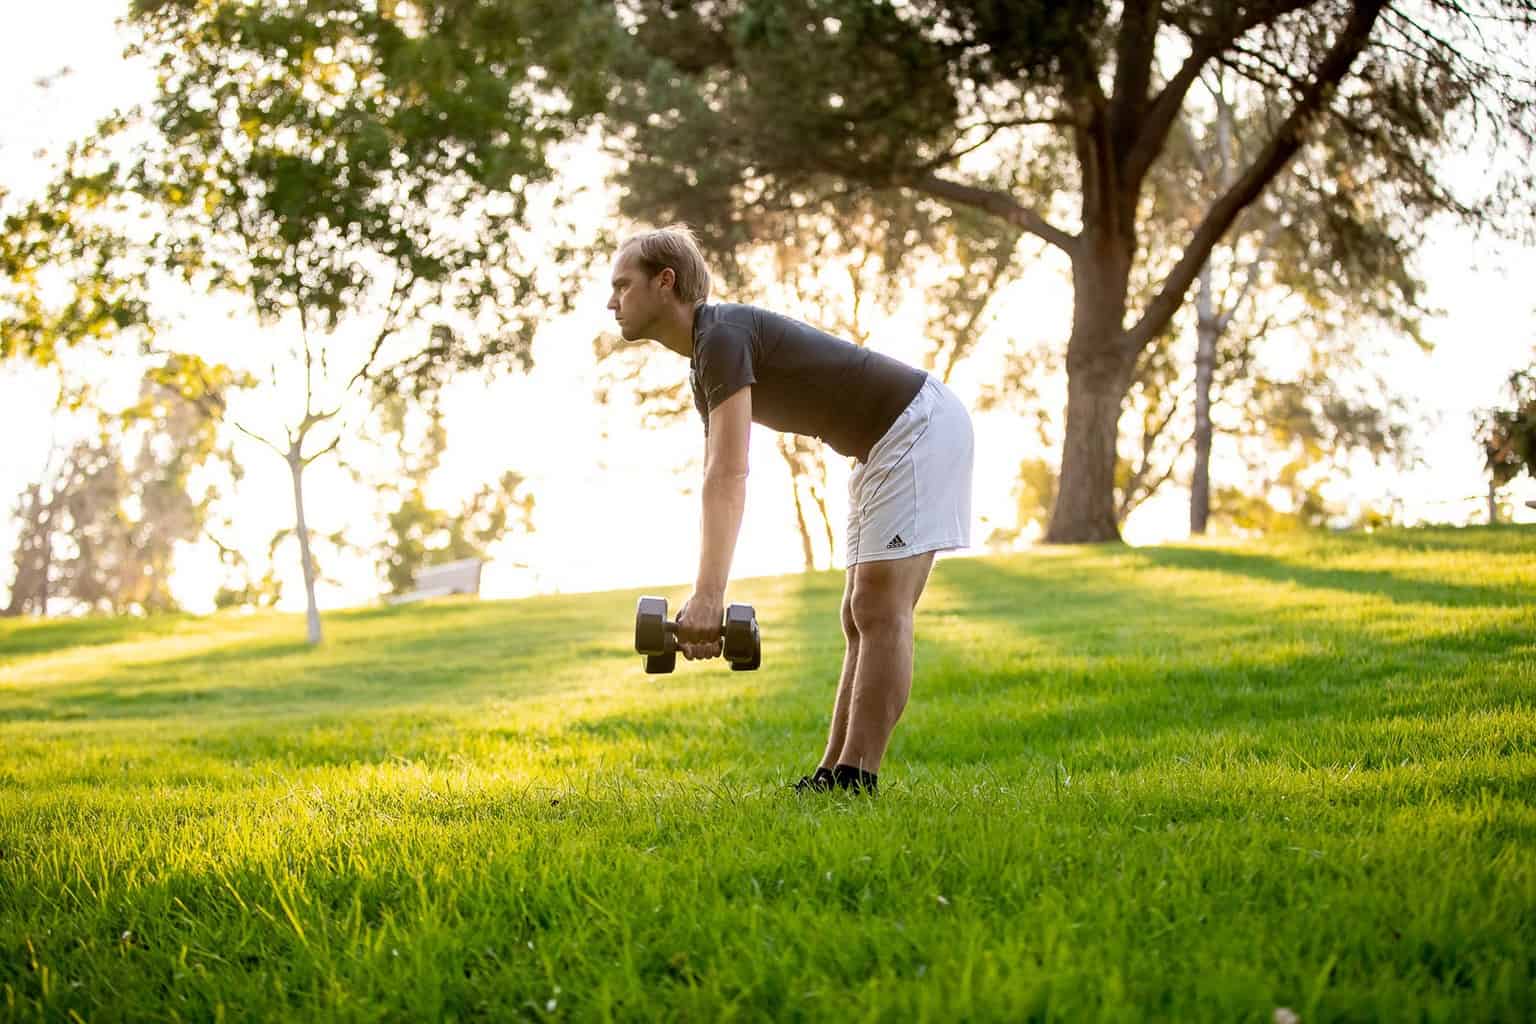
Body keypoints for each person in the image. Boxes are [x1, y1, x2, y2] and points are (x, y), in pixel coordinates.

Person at [607, 225, 974, 795]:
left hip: (915, 426)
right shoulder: (707, 356)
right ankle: (833, 773)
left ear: (665, 282)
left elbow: (729, 473)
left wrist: (708, 597)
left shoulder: (721, 335)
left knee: (880, 606)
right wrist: (705, 595)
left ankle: (857, 779)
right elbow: (717, 476)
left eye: (622, 286)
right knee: (859, 614)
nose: (612, 302)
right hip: (882, 442)